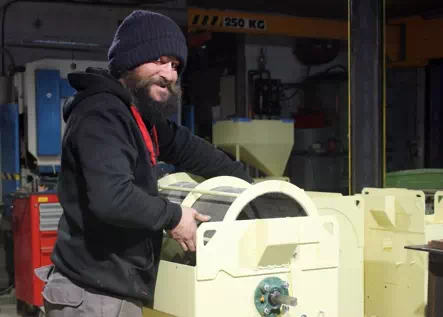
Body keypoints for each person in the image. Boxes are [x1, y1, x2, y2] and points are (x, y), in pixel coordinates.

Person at [35, 10, 253, 317]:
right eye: (160, 60)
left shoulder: (138, 116)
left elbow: (189, 148)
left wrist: (249, 187)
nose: (170, 73)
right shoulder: (102, 114)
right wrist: (174, 216)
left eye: (176, 65)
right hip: (93, 297)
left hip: (109, 291)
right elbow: (112, 197)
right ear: (130, 60)